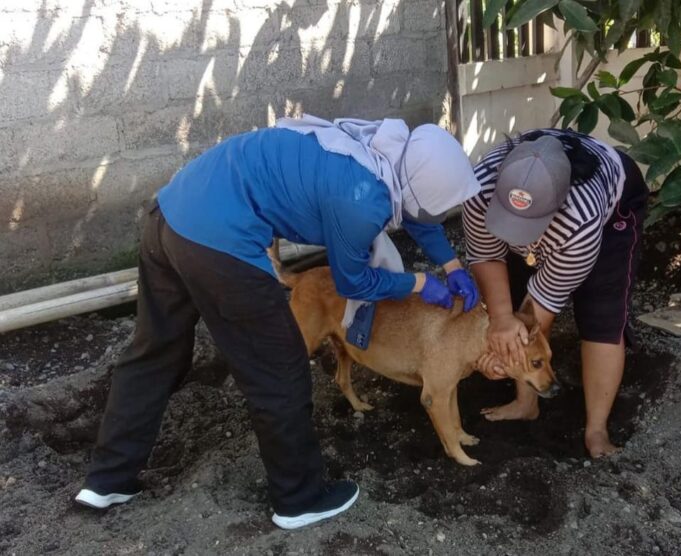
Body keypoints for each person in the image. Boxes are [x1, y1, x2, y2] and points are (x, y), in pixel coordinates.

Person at [74, 114, 481, 529]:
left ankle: (108, 478)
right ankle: (299, 500)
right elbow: (352, 279)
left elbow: (416, 212)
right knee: (280, 365)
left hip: (168, 218)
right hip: (220, 241)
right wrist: (419, 283)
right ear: (418, 184)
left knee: (155, 350)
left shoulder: (375, 153)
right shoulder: (363, 196)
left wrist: (452, 264)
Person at [463, 129, 648, 457]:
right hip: (538, 218)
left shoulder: (580, 220)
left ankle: (596, 431)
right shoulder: (479, 191)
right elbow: (487, 256)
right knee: (509, 302)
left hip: (612, 212)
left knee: (600, 316)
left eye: (527, 229)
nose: (520, 241)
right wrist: (501, 320)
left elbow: (539, 317)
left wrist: (507, 352)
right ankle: (526, 404)